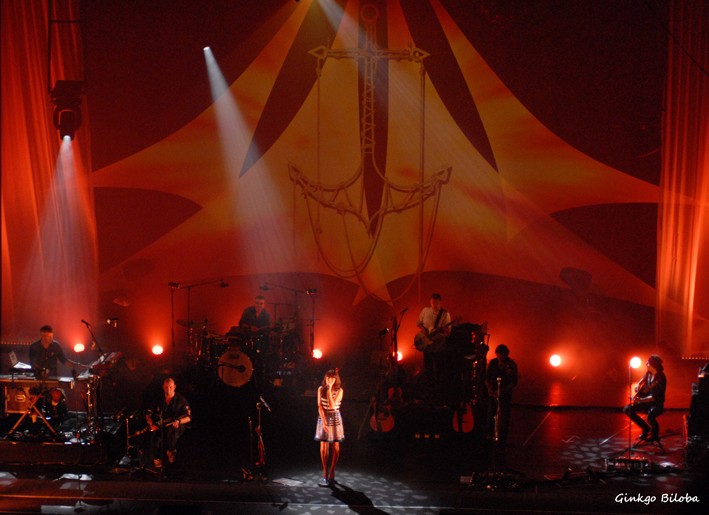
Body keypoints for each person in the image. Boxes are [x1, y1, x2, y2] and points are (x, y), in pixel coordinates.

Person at [145, 376, 192, 468]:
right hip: (161, 424)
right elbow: (148, 413)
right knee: (154, 436)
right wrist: (151, 424)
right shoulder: (159, 399)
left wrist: (178, 421)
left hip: (177, 424)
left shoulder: (181, 400)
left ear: (174, 387)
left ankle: (171, 452)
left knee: (171, 431)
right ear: (163, 387)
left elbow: (189, 417)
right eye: (166, 387)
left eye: (170, 387)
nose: (168, 389)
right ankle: (157, 459)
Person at [415, 293, 451, 402]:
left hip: (439, 347)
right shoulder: (425, 311)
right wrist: (424, 330)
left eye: (436, 303)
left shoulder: (445, 314)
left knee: (439, 372)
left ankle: (439, 395)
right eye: (432, 303)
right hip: (427, 347)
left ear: (440, 302)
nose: (433, 305)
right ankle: (429, 394)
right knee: (428, 371)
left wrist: (441, 333)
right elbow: (419, 323)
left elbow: (448, 333)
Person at [623, 354, 666, 443]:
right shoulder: (649, 373)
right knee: (627, 409)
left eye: (648, 362)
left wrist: (640, 400)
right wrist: (639, 384)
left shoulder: (660, 378)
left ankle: (655, 436)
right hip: (646, 402)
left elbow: (654, 397)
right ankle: (645, 428)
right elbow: (644, 377)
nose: (646, 363)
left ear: (653, 365)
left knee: (650, 417)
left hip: (656, 404)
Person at [315, 369, 344, 486]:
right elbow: (319, 406)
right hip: (323, 418)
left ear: (335, 379)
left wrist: (329, 390)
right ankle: (325, 472)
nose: (329, 380)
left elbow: (332, 406)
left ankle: (332, 471)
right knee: (323, 445)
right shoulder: (320, 389)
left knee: (335, 445)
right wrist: (324, 422)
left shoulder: (339, 391)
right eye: (328, 378)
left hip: (335, 418)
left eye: (332, 378)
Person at [485, 344, 518, 446]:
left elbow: (513, 382)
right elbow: (487, 377)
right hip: (493, 393)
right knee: (491, 415)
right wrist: (489, 389)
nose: (501, 357)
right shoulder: (493, 363)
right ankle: (489, 436)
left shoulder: (511, 365)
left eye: (503, 355)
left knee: (504, 417)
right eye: (499, 354)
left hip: (505, 394)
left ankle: (502, 439)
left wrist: (502, 391)